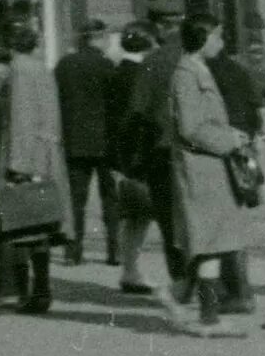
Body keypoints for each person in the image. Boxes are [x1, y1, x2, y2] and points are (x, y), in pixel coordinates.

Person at [0, 19, 67, 315]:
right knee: (36, 223)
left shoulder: (19, 71)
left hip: (21, 153)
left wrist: (17, 164)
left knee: (14, 222)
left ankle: (28, 291)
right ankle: (37, 290)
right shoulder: (39, 66)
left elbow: (22, 117)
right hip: (42, 152)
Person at [170, 19, 252, 336]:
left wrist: (230, 134)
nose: (221, 41)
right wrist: (229, 141)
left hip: (210, 167)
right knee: (208, 241)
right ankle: (208, 317)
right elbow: (190, 128)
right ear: (202, 38)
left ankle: (207, 314)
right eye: (218, 35)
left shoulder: (198, 69)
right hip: (201, 167)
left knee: (213, 242)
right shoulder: (186, 75)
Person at [114, 19, 187, 299]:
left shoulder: (121, 70)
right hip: (162, 151)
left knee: (138, 218)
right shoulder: (167, 64)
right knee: (175, 219)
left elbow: (128, 119)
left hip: (141, 155)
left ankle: (131, 269)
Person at [55, 18, 122, 265]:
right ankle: (115, 251)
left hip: (74, 141)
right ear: (100, 39)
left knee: (75, 199)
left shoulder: (64, 65)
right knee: (111, 199)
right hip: (105, 141)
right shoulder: (107, 66)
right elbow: (116, 106)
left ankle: (73, 251)